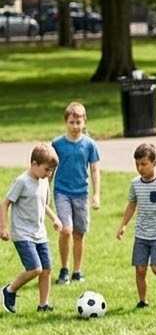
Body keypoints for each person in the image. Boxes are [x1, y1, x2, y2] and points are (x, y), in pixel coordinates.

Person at [116, 142, 156, 309]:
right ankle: (143, 301)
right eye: (137, 164)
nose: (140, 168)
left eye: (144, 164)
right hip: (141, 235)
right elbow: (131, 205)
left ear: (154, 163)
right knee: (140, 269)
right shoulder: (135, 184)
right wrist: (123, 225)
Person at [0, 142, 61, 313]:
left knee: (47, 269)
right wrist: (3, 228)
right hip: (23, 234)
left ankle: (43, 305)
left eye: (51, 171)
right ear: (34, 164)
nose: (49, 174)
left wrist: (54, 218)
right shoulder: (22, 182)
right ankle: (9, 290)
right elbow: (4, 204)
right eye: (46, 170)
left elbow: (43, 205)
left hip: (40, 233)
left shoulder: (43, 182)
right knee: (35, 268)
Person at [52, 101, 100, 285]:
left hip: (81, 194)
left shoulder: (90, 145)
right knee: (66, 230)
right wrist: (45, 193)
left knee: (79, 233)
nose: (75, 126)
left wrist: (96, 194)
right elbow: (49, 170)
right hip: (62, 192)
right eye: (71, 122)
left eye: (78, 122)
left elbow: (95, 170)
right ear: (66, 122)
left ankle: (77, 271)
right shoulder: (57, 144)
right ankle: (64, 269)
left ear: (84, 122)